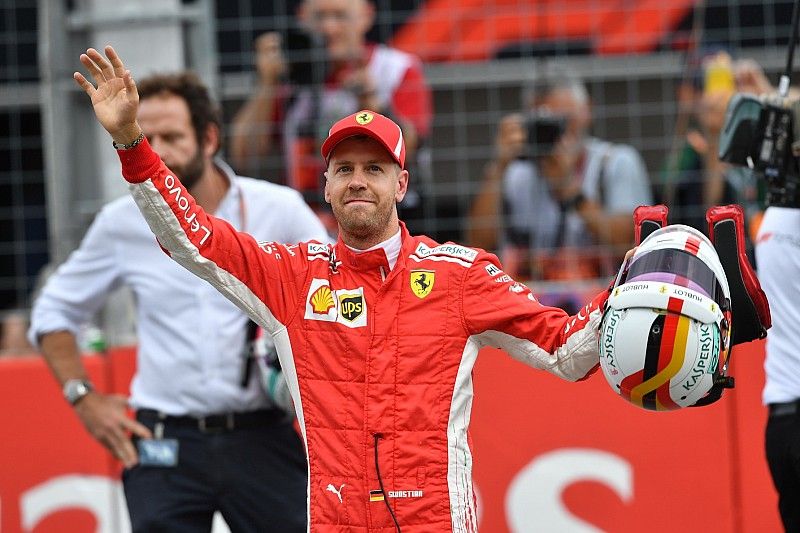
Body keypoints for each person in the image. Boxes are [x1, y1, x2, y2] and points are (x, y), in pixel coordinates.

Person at [74, 45, 620, 532]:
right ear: (327, 184)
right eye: (345, 169)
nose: (358, 180)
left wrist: (638, 283)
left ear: (401, 184)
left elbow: (567, 351)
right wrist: (131, 141)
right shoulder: (292, 277)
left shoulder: (460, 275)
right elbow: (195, 240)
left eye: (375, 169)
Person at [29, 70, 330, 532]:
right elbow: (53, 311)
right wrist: (83, 398)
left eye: (171, 136)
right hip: (163, 437)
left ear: (209, 139)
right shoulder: (120, 221)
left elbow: (335, 292)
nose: (158, 150)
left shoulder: (279, 208)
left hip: (262, 432)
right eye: (146, 137)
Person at [228, 0, 432, 232]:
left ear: (366, 16)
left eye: (340, 16)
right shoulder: (289, 74)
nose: (329, 28)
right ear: (302, 17)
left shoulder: (394, 69)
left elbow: (408, 148)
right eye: (319, 17)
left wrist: (371, 102)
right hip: (304, 221)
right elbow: (244, 155)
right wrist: (267, 83)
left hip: (377, 217)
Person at [466, 65, 652, 282]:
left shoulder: (614, 162)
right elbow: (476, 247)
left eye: (564, 121)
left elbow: (630, 244)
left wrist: (570, 189)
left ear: (587, 111)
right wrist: (498, 167)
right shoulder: (517, 174)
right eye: (546, 125)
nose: (558, 135)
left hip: (604, 295)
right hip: (534, 295)